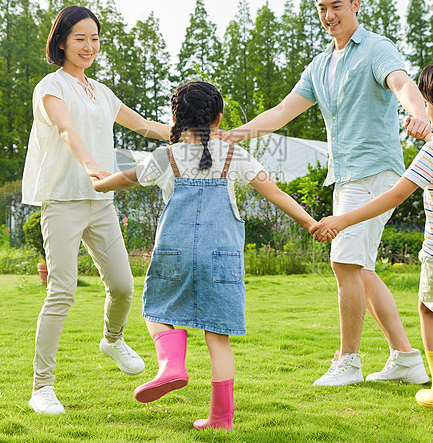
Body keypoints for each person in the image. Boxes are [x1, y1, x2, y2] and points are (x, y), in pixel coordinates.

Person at [221, 0, 430, 386]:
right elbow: (282, 112)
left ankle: (348, 361)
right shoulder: (320, 65)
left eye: (336, 6)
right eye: (321, 8)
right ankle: (406, 359)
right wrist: (233, 134)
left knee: (343, 262)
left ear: (355, 4)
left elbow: (401, 82)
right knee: (359, 268)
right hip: (347, 175)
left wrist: (419, 112)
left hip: (375, 168)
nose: (329, 15)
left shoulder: (375, 48)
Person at [93, 81, 322, 431]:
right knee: (217, 336)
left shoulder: (166, 157)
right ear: (218, 118)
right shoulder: (236, 156)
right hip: (222, 256)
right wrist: (310, 223)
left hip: (175, 251)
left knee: (156, 309)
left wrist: (98, 183)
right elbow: (273, 192)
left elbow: (125, 179)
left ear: (175, 119)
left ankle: (172, 365)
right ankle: (221, 419)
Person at [314, 61, 433, 438]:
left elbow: (395, 195)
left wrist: (343, 220)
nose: (424, 110)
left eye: (427, 104)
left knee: (429, 313)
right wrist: (430, 137)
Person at [21, 5, 173, 415]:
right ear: (62, 42)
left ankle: (112, 339)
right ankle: (42, 387)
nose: (89, 46)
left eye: (94, 39)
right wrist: (91, 166)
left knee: (123, 286)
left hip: (100, 202)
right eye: (80, 38)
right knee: (62, 292)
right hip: (64, 200)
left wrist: (192, 132)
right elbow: (66, 130)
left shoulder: (101, 92)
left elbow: (144, 126)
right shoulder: (51, 87)